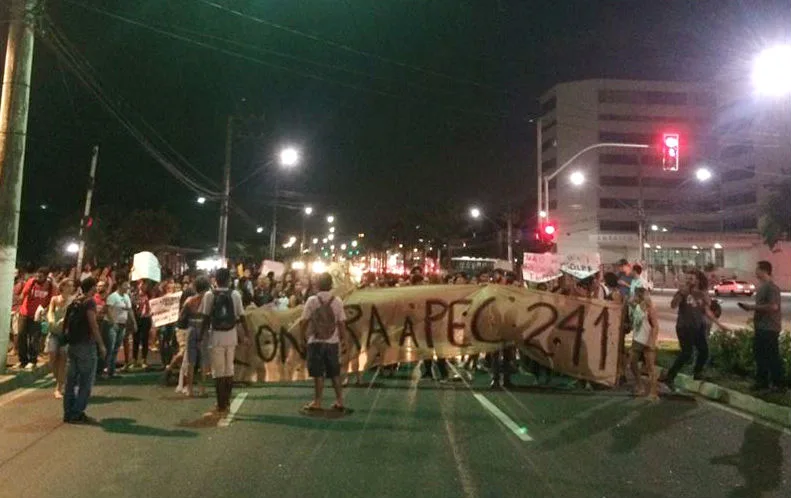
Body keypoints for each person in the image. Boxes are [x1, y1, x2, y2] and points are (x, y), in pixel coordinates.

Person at [664, 270, 730, 390]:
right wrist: (680, 294)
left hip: (698, 327)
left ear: (697, 280)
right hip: (684, 327)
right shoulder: (683, 292)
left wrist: (719, 325)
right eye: (687, 278)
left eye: (691, 278)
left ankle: (697, 373)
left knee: (704, 351)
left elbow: (707, 311)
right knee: (687, 353)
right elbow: (673, 305)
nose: (689, 280)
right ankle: (670, 377)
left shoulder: (701, 294)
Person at [200, 268, 249, 415]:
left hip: (216, 336)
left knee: (218, 371)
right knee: (229, 369)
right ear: (229, 280)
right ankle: (227, 401)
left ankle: (220, 404)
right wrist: (247, 334)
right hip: (231, 335)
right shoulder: (235, 295)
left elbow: (206, 317)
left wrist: (201, 336)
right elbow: (242, 316)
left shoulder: (209, 295)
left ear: (215, 279)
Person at [299, 272, 347, 412]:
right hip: (332, 342)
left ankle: (318, 401)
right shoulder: (337, 301)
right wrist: (344, 340)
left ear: (318, 285)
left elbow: (304, 321)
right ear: (331, 285)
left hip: (315, 341)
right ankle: (339, 400)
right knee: (334, 373)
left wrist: (302, 337)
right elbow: (342, 323)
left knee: (318, 373)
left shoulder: (312, 301)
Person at [62, 277, 107, 424]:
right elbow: (93, 325)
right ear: (92, 287)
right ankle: (77, 412)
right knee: (86, 381)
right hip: (85, 345)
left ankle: (68, 412)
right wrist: (101, 345)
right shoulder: (90, 302)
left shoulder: (75, 301)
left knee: (71, 381)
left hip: (72, 345)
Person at [738, 261, 784, 392]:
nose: (755, 271)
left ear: (764, 271)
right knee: (760, 355)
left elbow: (774, 306)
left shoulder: (771, 287)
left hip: (769, 327)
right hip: (761, 326)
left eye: (757, 269)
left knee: (771, 356)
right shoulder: (762, 287)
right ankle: (762, 382)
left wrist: (751, 307)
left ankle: (778, 384)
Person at [16, 267, 54, 370]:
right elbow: (23, 295)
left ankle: (32, 360)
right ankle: (23, 361)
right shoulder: (31, 282)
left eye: (40, 276)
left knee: (34, 339)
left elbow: (51, 300)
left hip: (37, 316)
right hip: (25, 312)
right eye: (37, 275)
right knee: (21, 336)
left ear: (46, 277)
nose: (38, 278)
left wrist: (46, 310)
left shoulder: (50, 286)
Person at [179, 276, 211, 396]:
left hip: (191, 328)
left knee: (190, 360)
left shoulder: (189, 301)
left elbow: (181, 317)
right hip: (204, 329)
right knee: (203, 360)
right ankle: (202, 389)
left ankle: (190, 389)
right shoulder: (209, 300)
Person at [46, 278, 76, 398]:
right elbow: (50, 311)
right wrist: (51, 320)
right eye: (68, 286)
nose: (70, 288)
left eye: (72, 286)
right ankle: (58, 378)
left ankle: (59, 387)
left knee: (63, 358)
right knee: (52, 358)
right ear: (62, 287)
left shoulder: (73, 301)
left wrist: (65, 321)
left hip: (66, 334)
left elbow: (74, 316)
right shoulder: (55, 299)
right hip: (54, 332)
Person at [629, 287, 660, 399]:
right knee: (632, 362)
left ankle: (653, 392)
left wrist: (652, 340)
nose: (634, 297)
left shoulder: (649, 309)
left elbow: (655, 326)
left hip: (647, 340)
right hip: (637, 339)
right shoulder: (636, 307)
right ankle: (639, 385)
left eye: (636, 295)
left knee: (650, 366)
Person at [104, 278, 136, 378]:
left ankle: (111, 371)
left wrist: (134, 323)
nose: (128, 287)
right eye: (125, 285)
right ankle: (104, 370)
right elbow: (107, 310)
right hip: (112, 325)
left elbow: (130, 310)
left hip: (122, 325)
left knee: (116, 348)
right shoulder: (113, 297)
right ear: (120, 285)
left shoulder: (126, 297)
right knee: (110, 347)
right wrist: (112, 322)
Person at [132, 280, 153, 369]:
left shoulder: (150, 295)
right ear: (138, 285)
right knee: (135, 339)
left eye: (145, 284)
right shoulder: (134, 295)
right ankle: (134, 360)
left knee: (145, 339)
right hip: (137, 319)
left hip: (146, 318)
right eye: (141, 284)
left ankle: (144, 359)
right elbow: (132, 307)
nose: (143, 286)